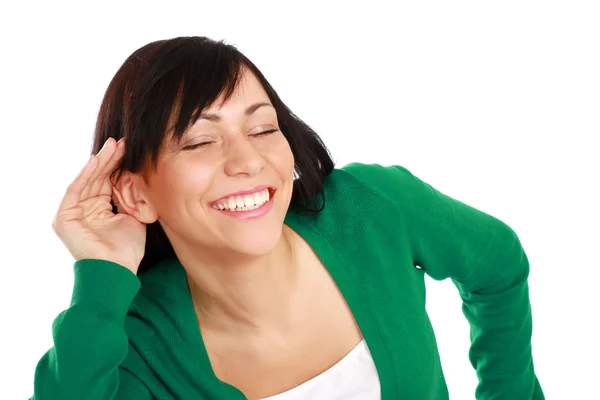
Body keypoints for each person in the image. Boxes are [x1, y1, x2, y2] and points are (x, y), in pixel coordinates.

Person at [31, 36, 544, 400]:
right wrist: (101, 275)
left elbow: (497, 264)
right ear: (136, 193)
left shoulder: (369, 210)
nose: (248, 162)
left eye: (261, 129)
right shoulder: (137, 344)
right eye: (202, 141)